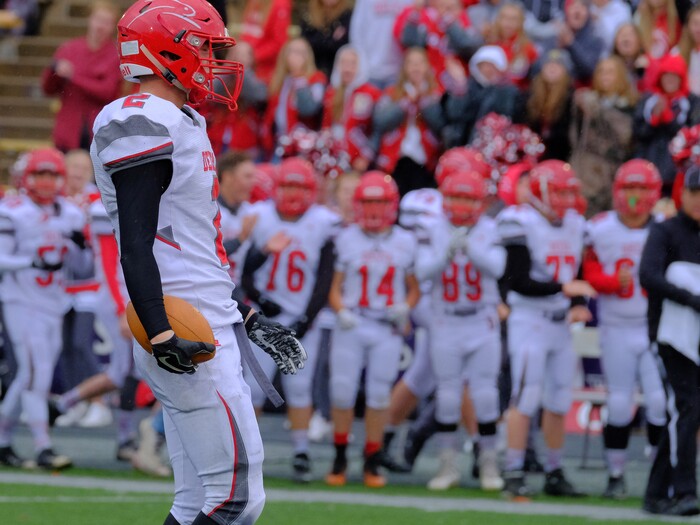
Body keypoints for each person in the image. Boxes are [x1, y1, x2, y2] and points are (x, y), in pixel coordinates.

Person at [89, 2, 306, 523]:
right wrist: (162, 334)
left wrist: (246, 315)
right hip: (183, 328)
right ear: (168, 50)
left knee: (196, 500)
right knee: (235, 501)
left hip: (203, 315)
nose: (213, 60)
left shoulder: (180, 118)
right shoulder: (141, 117)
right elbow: (137, 243)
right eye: (205, 47)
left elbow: (192, 246)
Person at [497, 160, 596, 499]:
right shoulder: (519, 221)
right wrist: (563, 291)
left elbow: (577, 267)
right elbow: (516, 281)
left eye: (570, 192)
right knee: (524, 397)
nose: (566, 199)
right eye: (559, 192)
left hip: (560, 323)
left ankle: (554, 471)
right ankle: (512, 471)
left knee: (558, 399)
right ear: (539, 192)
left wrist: (574, 304)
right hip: (530, 320)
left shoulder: (575, 224)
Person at [240, 157, 339, 483]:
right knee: (253, 389)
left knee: (299, 388)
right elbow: (245, 271)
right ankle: (249, 455)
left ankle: (301, 452)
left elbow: (325, 277)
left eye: (299, 186)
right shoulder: (260, 217)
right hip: (262, 317)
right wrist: (263, 302)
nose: (293, 193)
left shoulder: (323, 222)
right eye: (287, 185)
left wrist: (305, 320)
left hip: (300, 319)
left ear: (311, 190)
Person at [326, 171, 420, 488]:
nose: (374, 209)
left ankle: (371, 459)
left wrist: (405, 307)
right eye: (368, 202)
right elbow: (333, 287)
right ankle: (339, 456)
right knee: (342, 391)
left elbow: (413, 287)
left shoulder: (405, 240)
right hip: (353, 323)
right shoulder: (346, 237)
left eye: (380, 202)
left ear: (392, 204)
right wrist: (341, 311)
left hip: (385, 327)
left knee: (380, 395)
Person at [416, 169, 506, 492]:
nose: (461, 204)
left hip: (481, 318)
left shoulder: (491, 228)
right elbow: (423, 271)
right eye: (456, 196)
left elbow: (497, 268)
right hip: (446, 320)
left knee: (485, 394)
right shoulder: (432, 228)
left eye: (468, 197)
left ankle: (489, 464)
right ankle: (447, 465)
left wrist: (471, 249)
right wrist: (446, 254)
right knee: (447, 396)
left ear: (479, 201)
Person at [583, 159, 666, 499]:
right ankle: (616, 474)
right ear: (617, 191)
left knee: (660, 403)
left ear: (654, 193)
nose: (634, 196)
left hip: (653, 328)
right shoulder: (600, 228)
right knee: (618, 404)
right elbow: (586, 272)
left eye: (641, 188)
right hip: (616, 327)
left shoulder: (663, 228)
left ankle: (660, 476)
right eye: (628, 188)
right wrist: (608, 282)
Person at [0, 148, 87, 470]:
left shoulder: (71, 213)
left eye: (53, 175)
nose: (48, 182)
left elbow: (81, 265)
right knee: (36, 375)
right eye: (41, 174)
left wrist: (80, 245)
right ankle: (43, 447)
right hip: (21, 301)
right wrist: (31, 261)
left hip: (54, 302)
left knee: (29, 375)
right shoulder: (12, 210)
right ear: (27, 177)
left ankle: (3, 441)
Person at [639, 164, 700, 517]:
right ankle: (684, 491)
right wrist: (691, 299)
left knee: (687, 413)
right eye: (694, 193)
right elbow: (649, 275)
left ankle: (655, 492)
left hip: (697, 338)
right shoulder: (666, 232)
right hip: (670, 337)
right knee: (686, 409)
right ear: (683, 194)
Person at [41, 2, 122, 152]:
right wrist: (54, 71)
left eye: (107, 22)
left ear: (113, 27)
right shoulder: (69, 48)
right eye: (98, 20)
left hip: (97, 132)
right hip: (67, 130)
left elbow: (107, 92)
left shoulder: (114, 55)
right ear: (90, 20)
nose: (100, 26)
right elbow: (48, 88)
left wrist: (73, 76)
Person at [569, 57, 637, 216]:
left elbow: (625, 138)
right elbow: (575, 138)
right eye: (601, 72)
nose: (605, 76)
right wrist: (579, 110)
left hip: (614, 175)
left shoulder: (630, 106)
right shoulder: (586, 100)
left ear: (620, 76)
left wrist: (598, 110)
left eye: (610, 72)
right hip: (586, 174)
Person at [300, 0, 353, 79]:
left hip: (337, 71)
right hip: (312, 70)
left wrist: (323, 40)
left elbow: (346, 45)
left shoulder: (348, 15)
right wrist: (332, 39)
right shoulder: (308, 15)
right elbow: (305, 44)